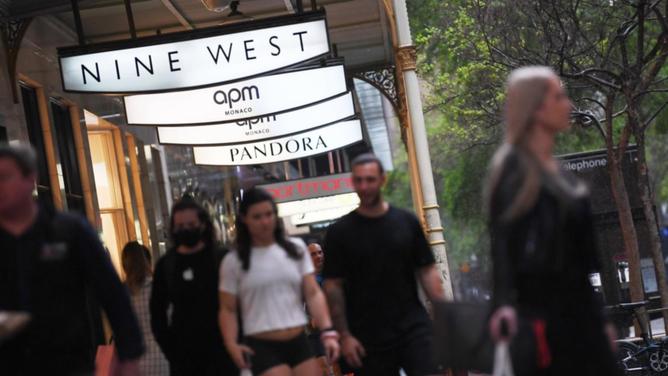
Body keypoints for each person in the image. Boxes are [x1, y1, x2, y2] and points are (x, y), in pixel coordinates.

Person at [486, 66, 619, 375]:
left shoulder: (559, 175)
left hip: (581, 319)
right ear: (537, 108)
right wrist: (504, 306)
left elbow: (582, 265)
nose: (569, 105)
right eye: (559, 97)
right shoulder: (512, 175)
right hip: (546, 330)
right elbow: (503, 251)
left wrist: (601, 322)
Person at [0, 144, 144, 375]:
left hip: (67, 363)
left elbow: (111, 293)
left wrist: (129, 356)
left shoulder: (68, 231)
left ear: (30, 179)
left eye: (5, 177)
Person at [322, 153, 446, 376]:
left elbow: (427, 271)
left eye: (370, 179)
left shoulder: (406, 222)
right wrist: (345, 335)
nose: (364, 186)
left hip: (412, 326)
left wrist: (445, 315)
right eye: (358, 180)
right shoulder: (340, 232)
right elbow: (333, 287)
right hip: (366, 334)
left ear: (382, 180)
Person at [219, 188, 340, 376]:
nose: (265, 221)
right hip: (262, 344)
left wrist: (328, 330)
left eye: (268, 214)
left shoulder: (295, 250)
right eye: (257, 216)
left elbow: (313, 293)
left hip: (298, 339)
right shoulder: (234, 262)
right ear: (245, 219)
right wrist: (231, 345)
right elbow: (227, 309)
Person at [150, 198, 237, 375]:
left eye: (191, 224)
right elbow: (157, 313)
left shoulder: (222, 259)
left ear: (203, 224)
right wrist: (172, 352)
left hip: (224, 355)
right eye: (181, 226)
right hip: (185, 360)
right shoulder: (167, 265)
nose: (186, 230)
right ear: (173, 229)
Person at [121, 241, 169, 375]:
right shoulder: (159, 288)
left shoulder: (122, 294)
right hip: (161, 359)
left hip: (134, 365)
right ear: (146, 261)